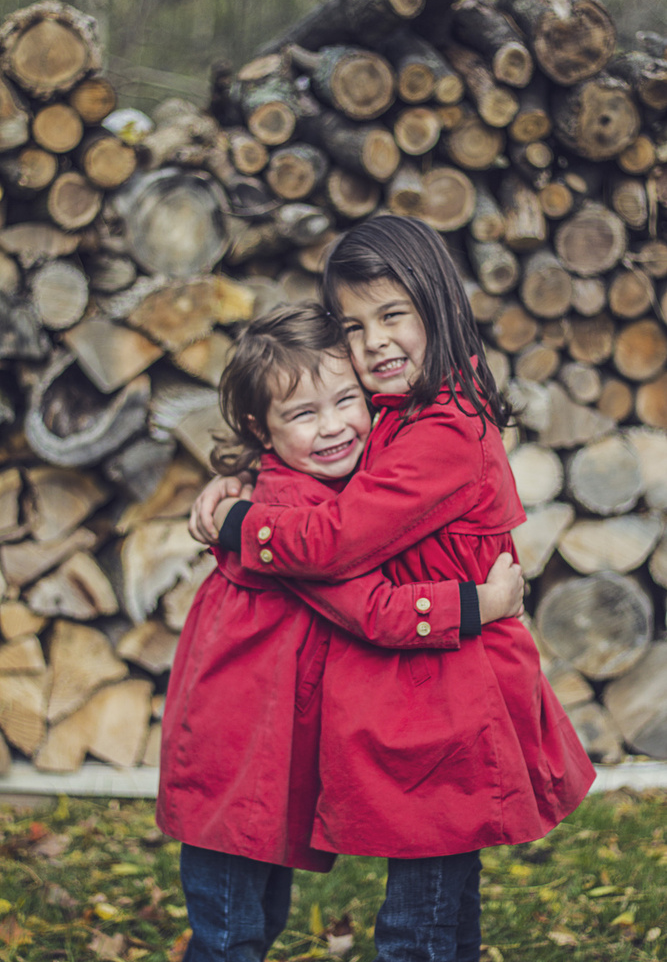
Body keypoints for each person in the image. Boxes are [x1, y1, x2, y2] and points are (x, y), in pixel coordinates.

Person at [191, 216, 596, 962]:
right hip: (427, 683)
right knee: (442, 895)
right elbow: (315, 442)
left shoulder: (442, 431)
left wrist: (238, 525)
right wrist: (251, 474)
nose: (374, 340)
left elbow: (337, 538)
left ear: (435, 308)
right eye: (353, 325)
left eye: (392, 315)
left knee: (425, 912)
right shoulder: (392, 408)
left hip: (455, 685)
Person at [158, 302, 525, 962]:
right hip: (234, 745)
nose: (333, 428)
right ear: (259, 428)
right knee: (232, 928)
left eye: (345, 401)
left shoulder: (332, 478)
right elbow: (375, 610)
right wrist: (481, 603)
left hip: (263, 741)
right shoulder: (294, 514)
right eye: (302, 414)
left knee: (254, 913)